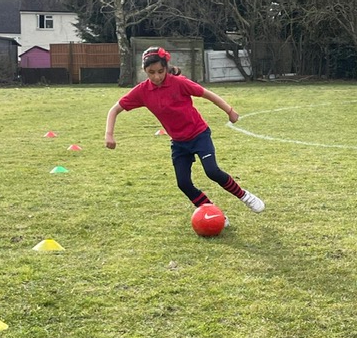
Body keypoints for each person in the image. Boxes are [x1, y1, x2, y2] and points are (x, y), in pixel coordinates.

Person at [105, 46, 265, 222]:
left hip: (199, 135)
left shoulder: (179, 83)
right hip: (179, 143)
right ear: (145, 71)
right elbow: (114, 109)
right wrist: (109, 135)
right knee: (183, 183)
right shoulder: (142, 92)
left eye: (160, 71)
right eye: (151, 72)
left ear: (166, 67)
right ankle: (212, 213)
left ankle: (244, 196)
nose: (157, 76)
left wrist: (230, 111)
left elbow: (207, 94)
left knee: (212, 171)